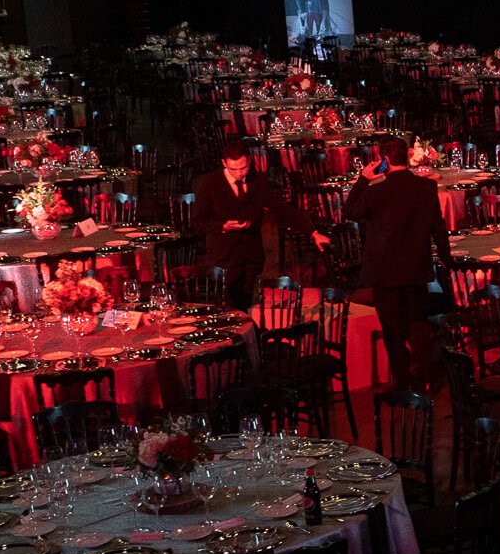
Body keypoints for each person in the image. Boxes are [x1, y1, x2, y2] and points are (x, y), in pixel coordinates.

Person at [342, 134, 455, 393]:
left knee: (392, 329)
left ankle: (403, 381)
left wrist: (363, 179)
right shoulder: (426, 188)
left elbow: (350, 212)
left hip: (384, 271)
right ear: (407, 157)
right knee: (418, 323)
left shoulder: (375, 192)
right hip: (416, 267)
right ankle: (424, 379)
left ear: (384, 160)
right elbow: (438, 227)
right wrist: (446, 259)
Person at [192, 144, 330, 309]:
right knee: (227, 309)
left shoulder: (258, 181)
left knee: (245, 306)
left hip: (251, 256)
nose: (239, 173)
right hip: (223, 256)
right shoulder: (209, 183)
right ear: (224, 163)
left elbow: (282, 210)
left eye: (243, 168)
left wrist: (313, 233)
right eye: (233, 169)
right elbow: (197, 222)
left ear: (249, 161)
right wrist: (223, 226)